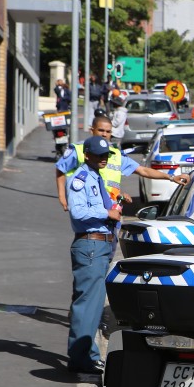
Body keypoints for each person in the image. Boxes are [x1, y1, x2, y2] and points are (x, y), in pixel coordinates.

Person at [64, 136, 120, 374]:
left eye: (106, 155)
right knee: (86, 305)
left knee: (95, 306)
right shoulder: (80, 178)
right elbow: (78, 211)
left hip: (100, 245)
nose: (103, 159)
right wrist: (106, 211)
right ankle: (79, 359)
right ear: (87, 155)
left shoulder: (96, 176)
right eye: (99, 155)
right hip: (90, 246)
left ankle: (89, 355)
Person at [54, 115, 189, 212]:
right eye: (101, 130)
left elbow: (143, 170)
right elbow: (61, 169)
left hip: (113, 207)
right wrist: (62, 197)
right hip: (89, 207)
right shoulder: (78, 150)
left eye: (108, 131)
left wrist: (171, 177)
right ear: (92, 130)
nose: (104, 134)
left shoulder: (115, 154)